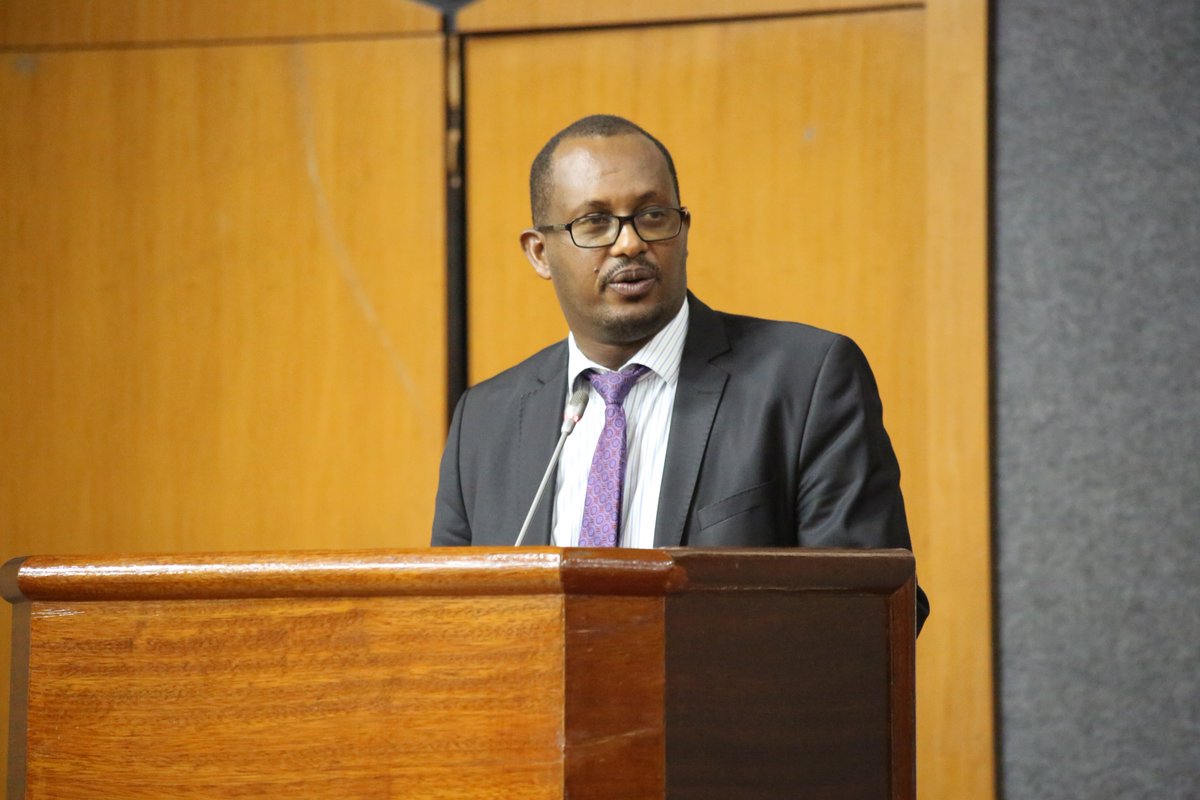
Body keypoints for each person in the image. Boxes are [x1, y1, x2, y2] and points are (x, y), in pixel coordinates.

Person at [431, 114, 928, 631]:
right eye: (594, 222)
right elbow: (447, 626)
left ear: (684, 229)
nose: (629, 243)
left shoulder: (806, 382)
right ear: (540, 253)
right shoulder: (486, 420)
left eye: (652, 215)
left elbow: (871, 616)